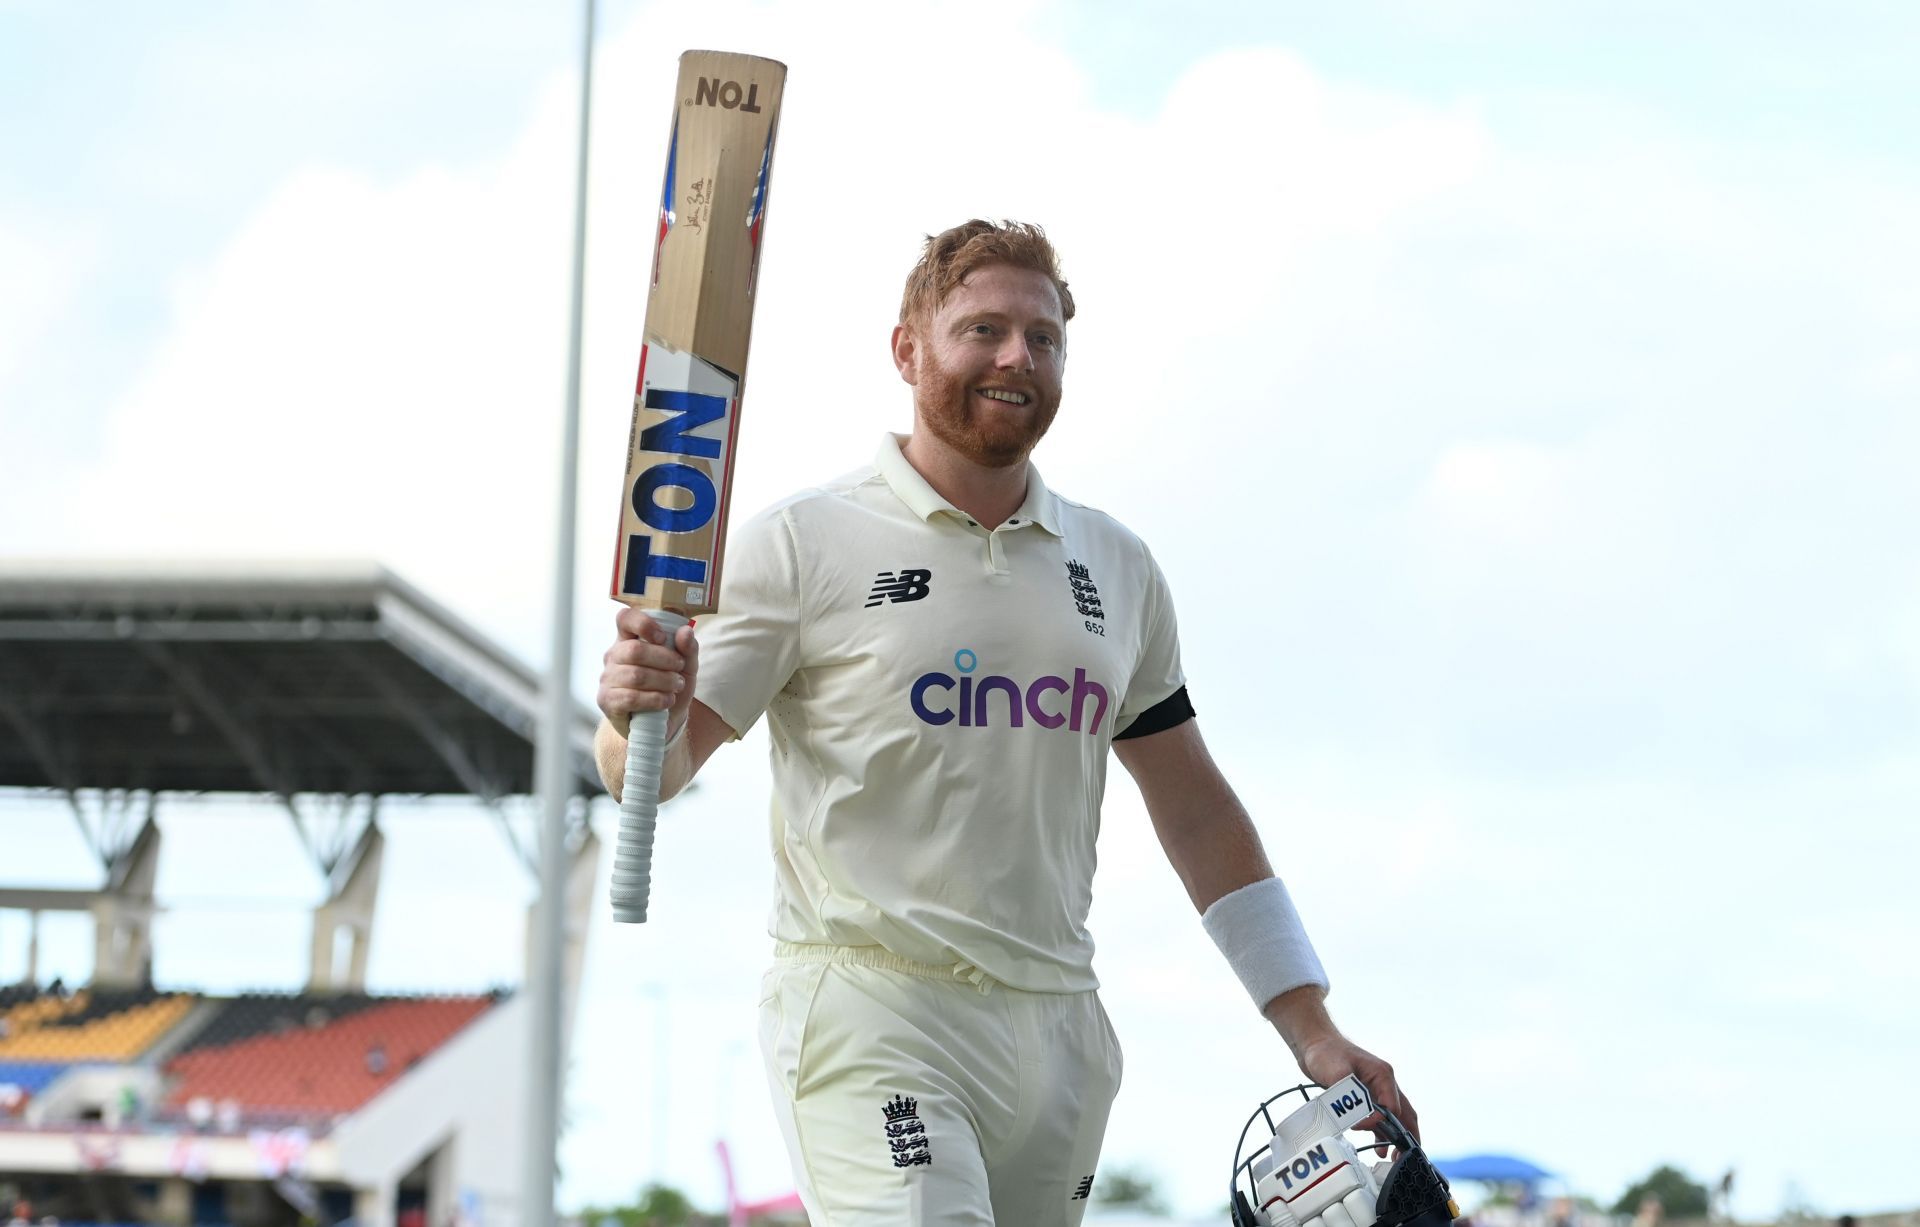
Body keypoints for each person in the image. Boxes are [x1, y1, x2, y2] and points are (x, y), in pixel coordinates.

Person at [594, 219, 1416, 1226]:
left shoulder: (1118, 566)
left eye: (1043, 337)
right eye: (982, 329)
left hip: (1061, 1029)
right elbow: (655, 764)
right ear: (908, 349)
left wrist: (1310, 1026)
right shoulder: (805, 545)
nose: (1016, 357)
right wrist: (631, 713)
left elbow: (1196, 809)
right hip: (873, 1008)